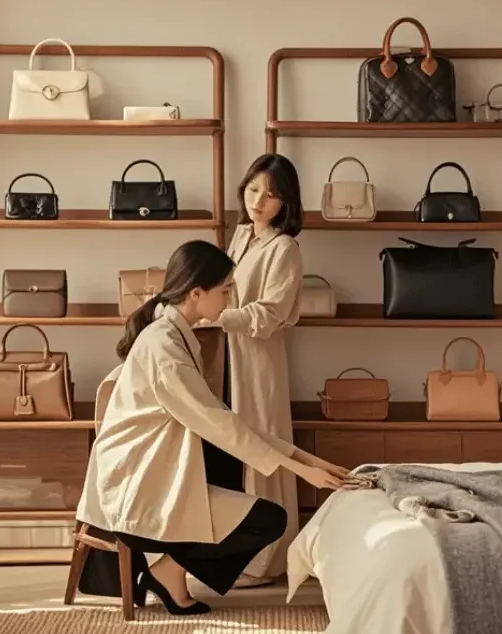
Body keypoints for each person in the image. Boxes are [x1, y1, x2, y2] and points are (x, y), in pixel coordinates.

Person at [75, 239, 349, 616]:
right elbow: (219, 423)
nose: (229, 300)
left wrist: (306, 457)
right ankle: (166, 570)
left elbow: (223, 419)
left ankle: (168, 569)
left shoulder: (173, 334)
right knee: (269, 521)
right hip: (136, 483)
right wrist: (302, 471)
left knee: (232, 466)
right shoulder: (165, 348)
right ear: (196, 293)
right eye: (225, 291)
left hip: (152, 465)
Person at [208, 153, 305, 585]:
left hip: (258, 362)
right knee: (234, 450)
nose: (259, 201)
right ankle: (236, 552)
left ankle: (266, 559)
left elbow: (268, 315)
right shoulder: (242, 236)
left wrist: (215, 318)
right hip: (229, 358)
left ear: (285, 203)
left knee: (261, 451)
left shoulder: (284, 248)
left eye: (271, 194)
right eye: (253, 190)